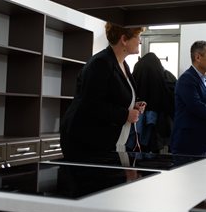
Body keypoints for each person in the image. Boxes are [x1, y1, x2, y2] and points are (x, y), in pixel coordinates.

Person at [60, 22, 146, 158]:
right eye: (138, 36)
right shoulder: (100, 63)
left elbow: (112, 97)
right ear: (124, 39)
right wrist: (125, 115)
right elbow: (91, 104)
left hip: (105, 140)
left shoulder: (123, 64)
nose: (140, 41)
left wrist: (132, 105)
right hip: (85, 141)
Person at [170, 41, 206, 156]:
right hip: (187, 145)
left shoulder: (205, 80)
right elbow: (196, 107)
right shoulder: (186, 79)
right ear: (198, 57)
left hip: (202, 143)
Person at [127, 52, 177, 152]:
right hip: (159, 125)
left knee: (135, 152)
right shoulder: (166, 77)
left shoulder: (136, 74)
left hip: (136, 119)